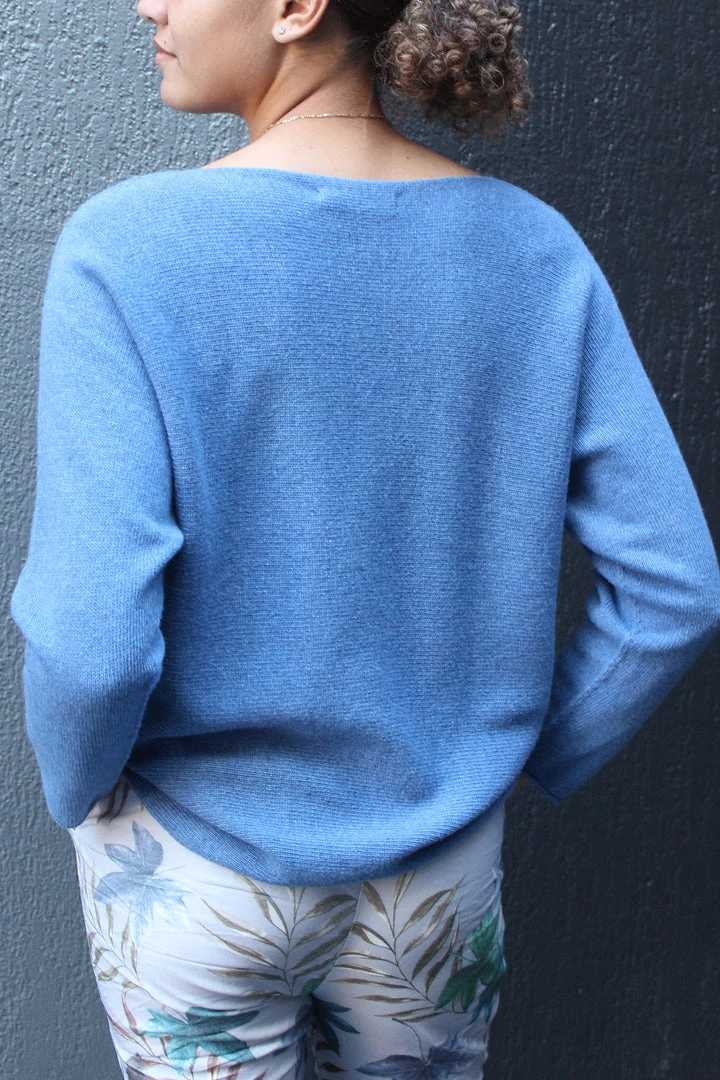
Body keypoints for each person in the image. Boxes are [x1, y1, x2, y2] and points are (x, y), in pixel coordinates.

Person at [9, 1, 720, 1077]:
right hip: (435, 876)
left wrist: (79, 791)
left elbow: (91, 644)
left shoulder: (124, 248)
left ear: (298, 7)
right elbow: (675, 591)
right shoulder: (535, 252)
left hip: (188, 866)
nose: (149, 3)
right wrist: (500, 760)